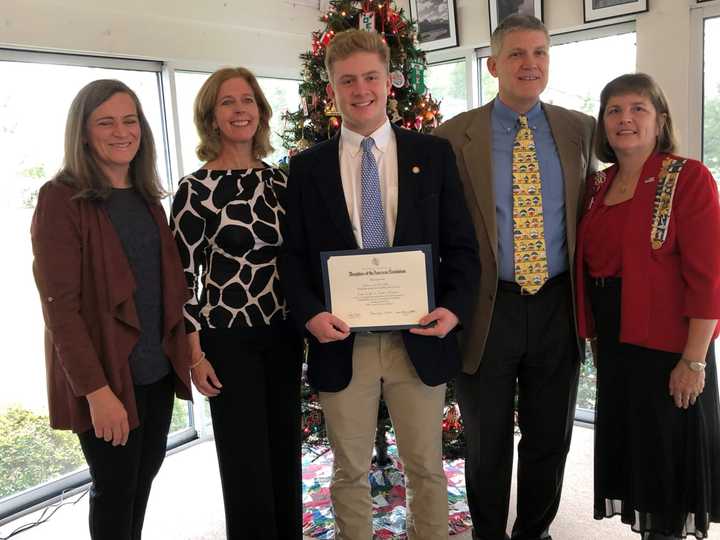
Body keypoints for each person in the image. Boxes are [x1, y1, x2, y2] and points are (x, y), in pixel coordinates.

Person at [279, 29, 480, 540]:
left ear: (389, 82)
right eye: (347, 80)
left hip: (420, 336)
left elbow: (462, 245)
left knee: (427, 468)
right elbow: (293, 258)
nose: (360, 89)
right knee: (348, 472)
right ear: (332, 89)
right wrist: (309, 316)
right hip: (342, 341)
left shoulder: (431, 155)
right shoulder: (305, 168)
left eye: (370, 76)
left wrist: (454, 310)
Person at [434, 14, 596, 540]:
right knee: (487, 440)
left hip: (557, 304)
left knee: (550, 436)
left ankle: (535, 530)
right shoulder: (452, 137)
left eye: (541, 53)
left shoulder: (580, 130)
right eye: (518, 54)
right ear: (493, 65)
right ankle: (488, 532)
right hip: (487, 308)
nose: (531, 64)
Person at [30, 79, 192, 540]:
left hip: (154, 371)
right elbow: (60, 310)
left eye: (130, 120)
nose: (121, 132)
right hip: (106, 377)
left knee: (142, 481)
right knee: (115, 489)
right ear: (83, 133)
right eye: (106, 122)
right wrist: (97, 392)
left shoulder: (146, 196)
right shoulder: (60, 198)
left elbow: (169, 287)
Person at [575, 73, 720, 540]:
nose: (625, 119)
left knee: (666, 466)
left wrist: (694, 360)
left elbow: (709, 278)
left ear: (660, 120)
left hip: (669, 348)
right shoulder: (598, 185)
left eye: (638, 108)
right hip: (618, 343)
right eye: (614, 110)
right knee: (637, 458)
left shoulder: (688, 178)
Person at [170, 67, 303, 540]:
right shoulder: (195, 190)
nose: (240, 109)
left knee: (286, 451)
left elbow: (301, 258)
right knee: (244, 461)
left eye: (247, 100)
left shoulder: (281, 182)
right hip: (227, 340)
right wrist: (194, 353)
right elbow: (183, 279)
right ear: (211, 116)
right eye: (228, 102)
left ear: (261, 112)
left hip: (284, 334)